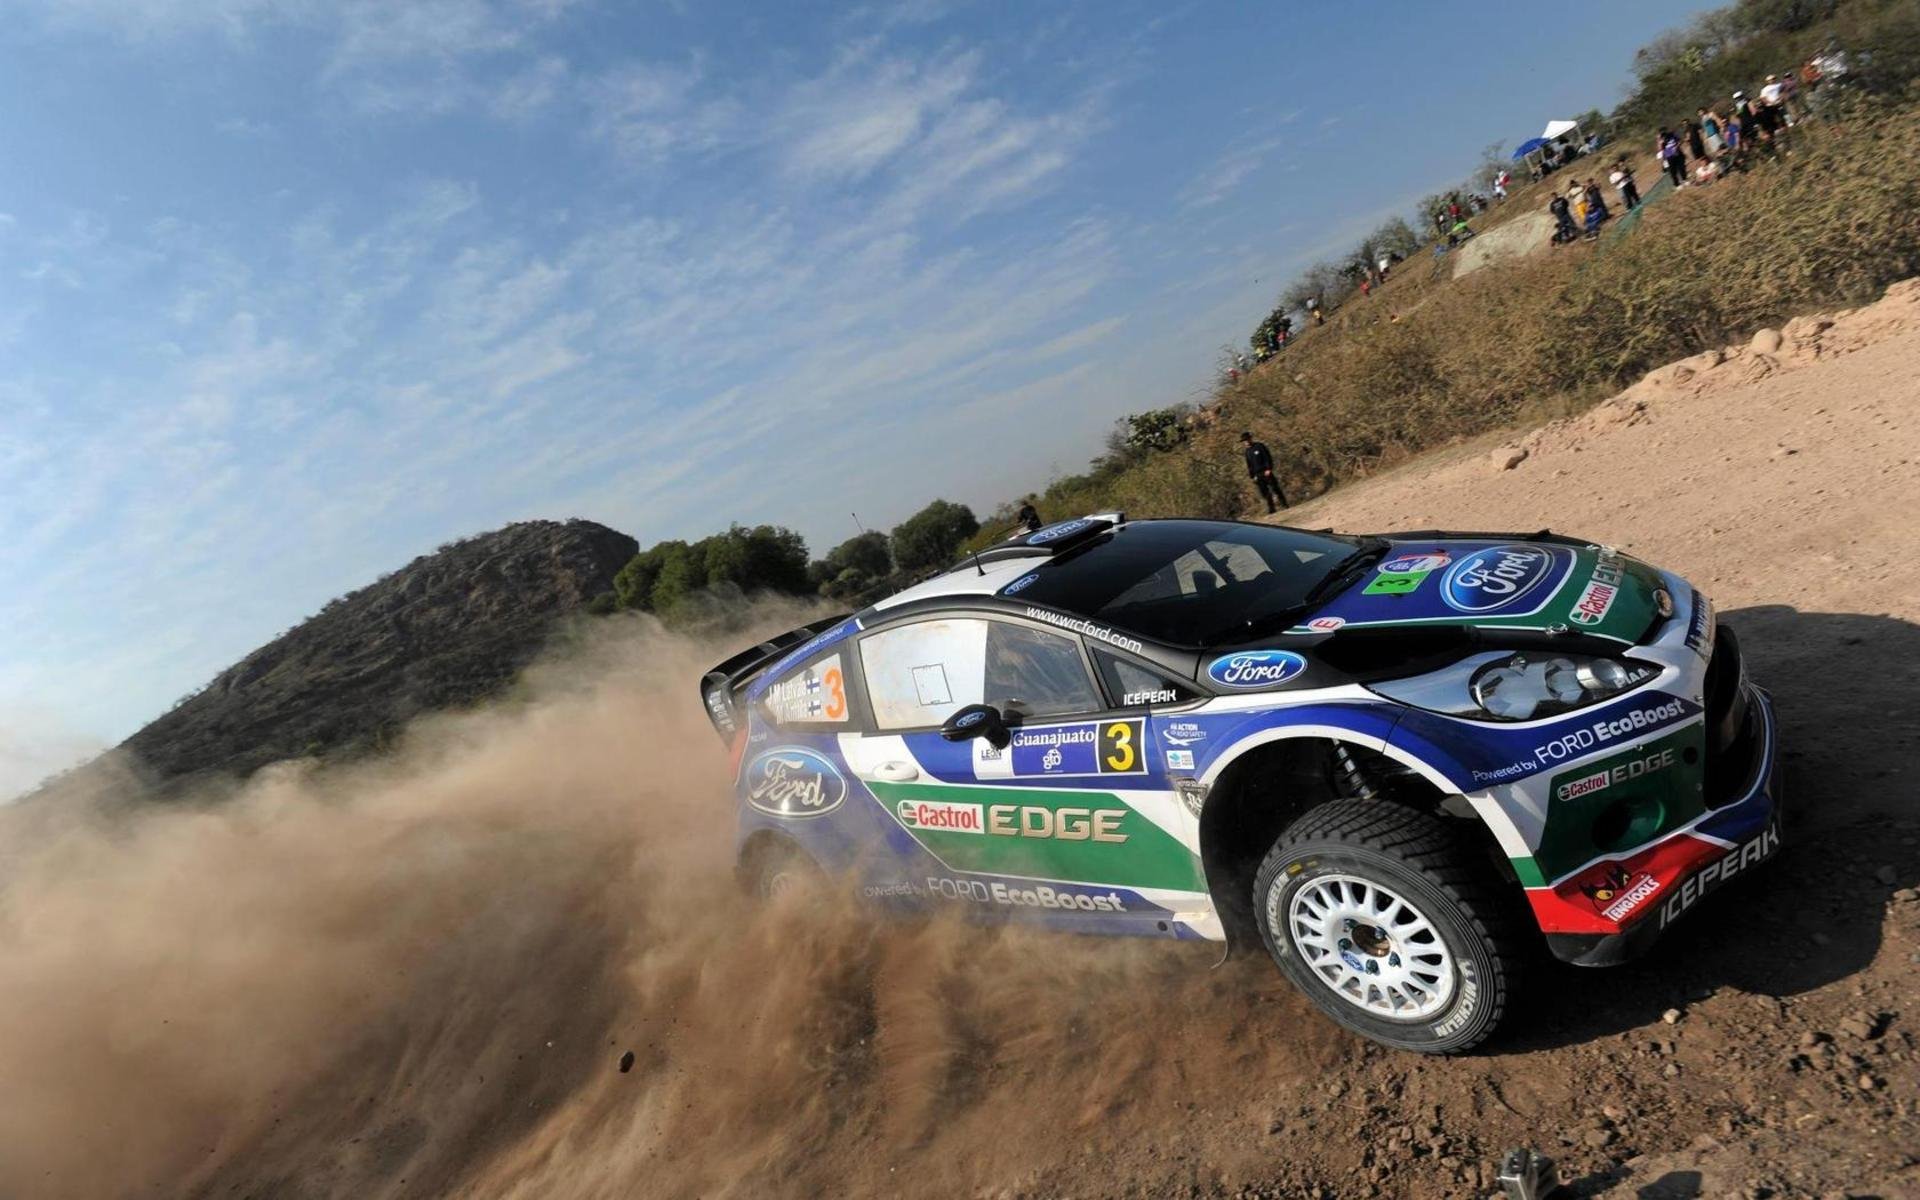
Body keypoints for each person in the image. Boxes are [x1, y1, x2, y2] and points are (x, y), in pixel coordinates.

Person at [1240, 433, 1287, 513]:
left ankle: (1284, 504)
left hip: (1266, 471)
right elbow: (1249, 465)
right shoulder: (1247, 452)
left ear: (1250, 438)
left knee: (1275, 488)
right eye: (1244, 441)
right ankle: (1272, 509)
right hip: (1258, 475)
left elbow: (1267, 457)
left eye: (1247, 439)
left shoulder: (1259, 446)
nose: (1246, 442)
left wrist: (1268, 469)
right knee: (1265, 492)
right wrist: (1253, 476)